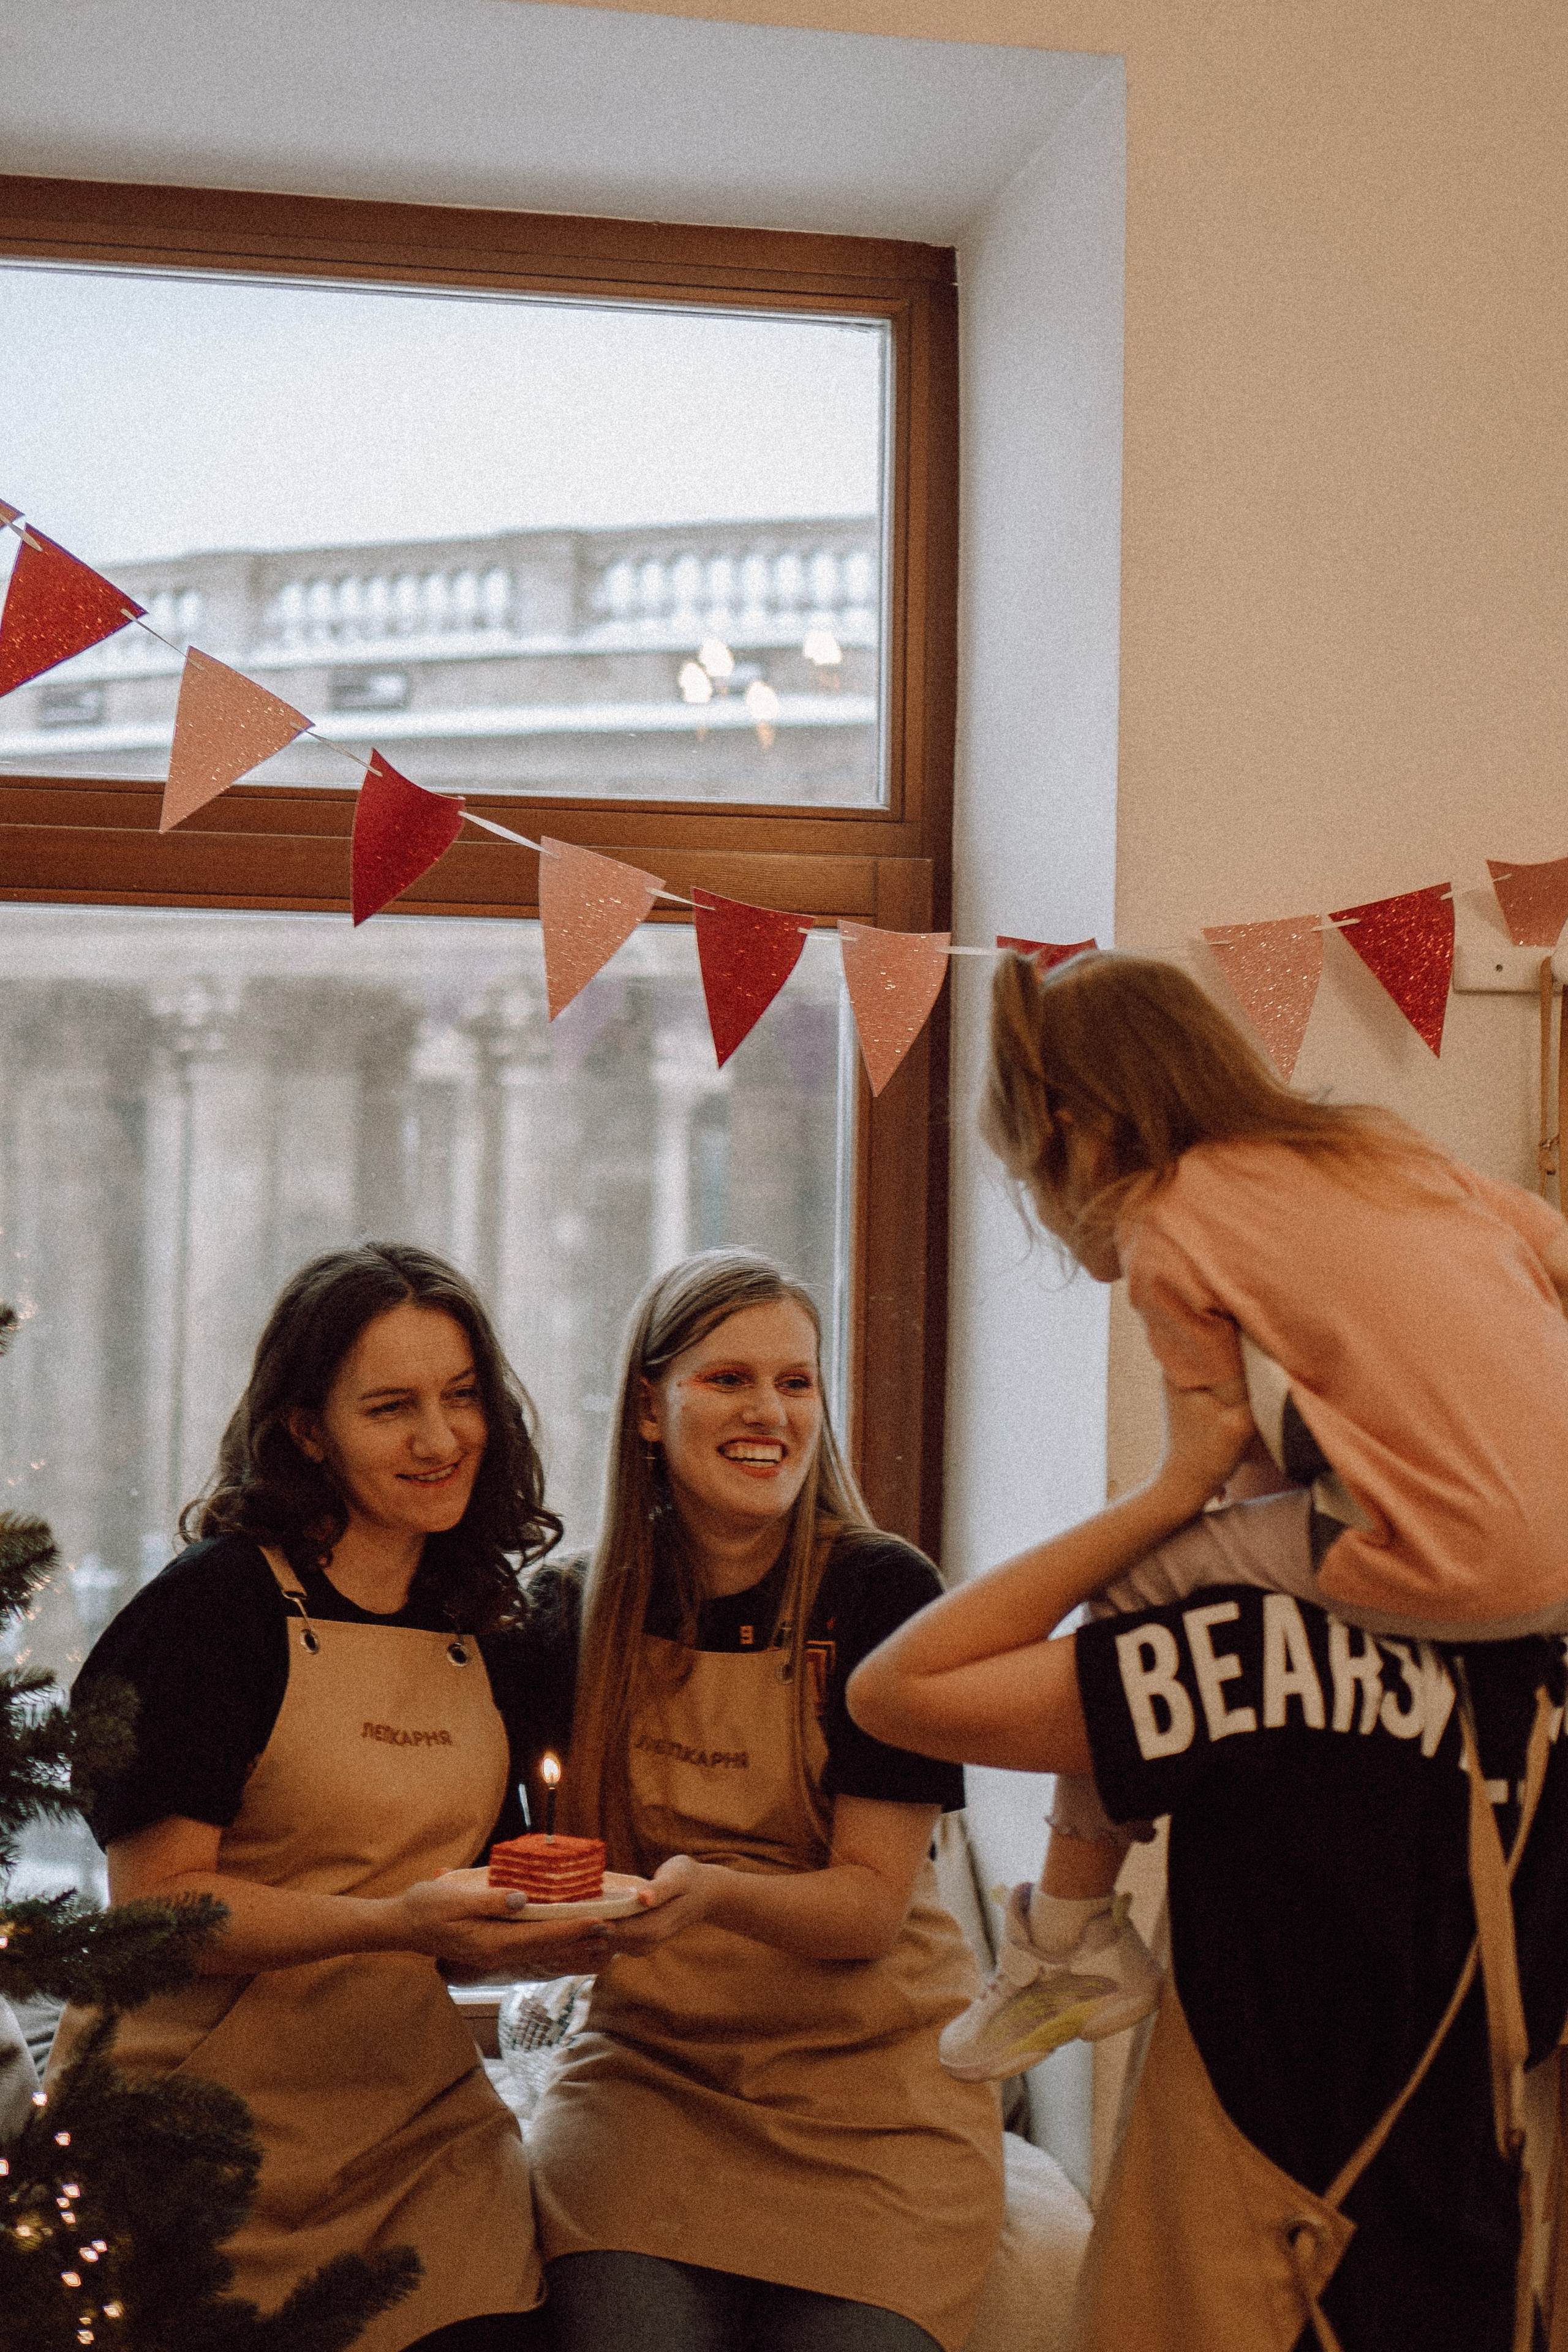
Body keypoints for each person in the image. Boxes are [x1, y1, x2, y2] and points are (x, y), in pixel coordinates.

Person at [935, 944, 1568, 2086]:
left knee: (1131, 1587)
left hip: (1454, 1563)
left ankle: (1067, 1939)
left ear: (1073, 1127)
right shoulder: (1379, 1149)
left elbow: (1212, 1459)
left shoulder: (1166, 1220)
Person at [845, 1382, 1568, 2352]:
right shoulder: (1537, 1683)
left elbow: (896, 1691)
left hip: (1254, 2266)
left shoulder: (1248, 1650)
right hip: (1466, 2262)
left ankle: (1064, 1937)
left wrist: (1167, 1495)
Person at [54, 1243, 610, 2352]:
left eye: (462, 1397)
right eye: (391, 1408)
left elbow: (467, 1908)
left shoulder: (487, 1625)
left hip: (420, 2140)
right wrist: (397, 1924)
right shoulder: (214, 1611)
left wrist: (544, 1933)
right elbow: (156, 1910)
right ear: (308, 1430)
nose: (440, 1439)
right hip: (191, 2135)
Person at [522, 1248, 1005, 2352]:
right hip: (651, 2086)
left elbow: (869, 1909)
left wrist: (710, 1893)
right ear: (649, 1407)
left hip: (876, 2105)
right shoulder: (564, 1614)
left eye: (796, 1382)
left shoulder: (880, 1591)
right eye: (728, 1379)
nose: (770, 1413)